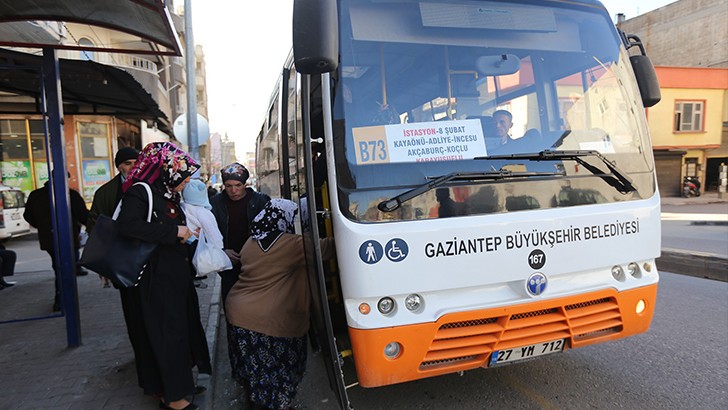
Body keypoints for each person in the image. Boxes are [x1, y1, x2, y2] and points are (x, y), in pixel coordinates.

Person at [116, 142, 211, 410]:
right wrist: (174, 233)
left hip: (172, 278)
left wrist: (183, 235)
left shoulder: (165, 194)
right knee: (168, 335)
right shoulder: (140, 192)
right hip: (154, 282)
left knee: (175, 333)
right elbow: (128, 227)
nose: (187, 180)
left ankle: (171, 388)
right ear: (166, 169)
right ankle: (175, 399)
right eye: (184, 173)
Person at [225, 199, 335, 410]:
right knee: (280, 371)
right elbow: (326, 249)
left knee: (258, 375)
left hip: (240, 313)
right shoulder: (291, 244)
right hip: (265, 320)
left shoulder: (253, 240)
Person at [23, 176, 89, 311]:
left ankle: (62, 298)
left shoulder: (35, 195)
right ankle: (62, 299)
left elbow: (28, 216)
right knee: (65, 269)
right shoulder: (70, 195)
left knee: (58, 267)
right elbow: (84, 216)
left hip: (49, 239)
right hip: (68, 238)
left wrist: (42, 226)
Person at [209, 163, 270, 304]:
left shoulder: (261, 200)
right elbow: (207, 234)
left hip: (256, 264)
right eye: (228, 186)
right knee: (231, 304)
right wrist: (222, 251)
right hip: (229, 264)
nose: (233, 190)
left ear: (245, 184)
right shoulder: (215, 204)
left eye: (238, 185)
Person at [87, 146, 139, 287]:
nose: (134, 167)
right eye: (128, 163)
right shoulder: (105, 193)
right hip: (120, 257)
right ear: (119, 167)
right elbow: (96, 227)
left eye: (137, 163)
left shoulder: (151, 186)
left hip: (146, 255)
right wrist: (102, 261)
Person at [181, 178, 226, 280]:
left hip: (186, 243)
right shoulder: (203, 212)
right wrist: (219, 247)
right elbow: (212, 231)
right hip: (198, 245)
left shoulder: (182, 207)